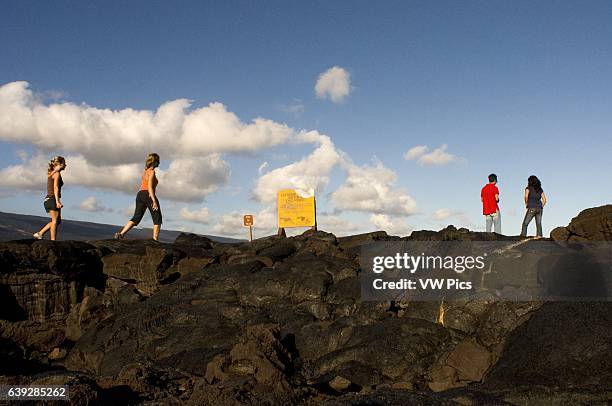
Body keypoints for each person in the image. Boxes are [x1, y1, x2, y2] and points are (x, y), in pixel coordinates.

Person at [115, 153, 163, 241]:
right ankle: (155, 239)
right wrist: (154, 201)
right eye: (158, 161)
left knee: (136, 217)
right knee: (157, 217)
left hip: (140, 194)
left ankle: (121, 234)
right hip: (148, 194)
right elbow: (149, 187)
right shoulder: (152, 172)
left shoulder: (146, 171)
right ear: (154, 162)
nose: (159, 162)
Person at [33, 156, 67, 241]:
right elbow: (56, 187)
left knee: (58, 221)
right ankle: (53, 241)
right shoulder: (56, 174)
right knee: (55, 221)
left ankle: (40, 233)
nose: (66, 165)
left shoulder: (52, 173)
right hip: (52, 199)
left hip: (49, 199)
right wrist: (57, 201)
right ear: (59, 164)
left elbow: (50, 175)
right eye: (64, 163)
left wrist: (56, 169)